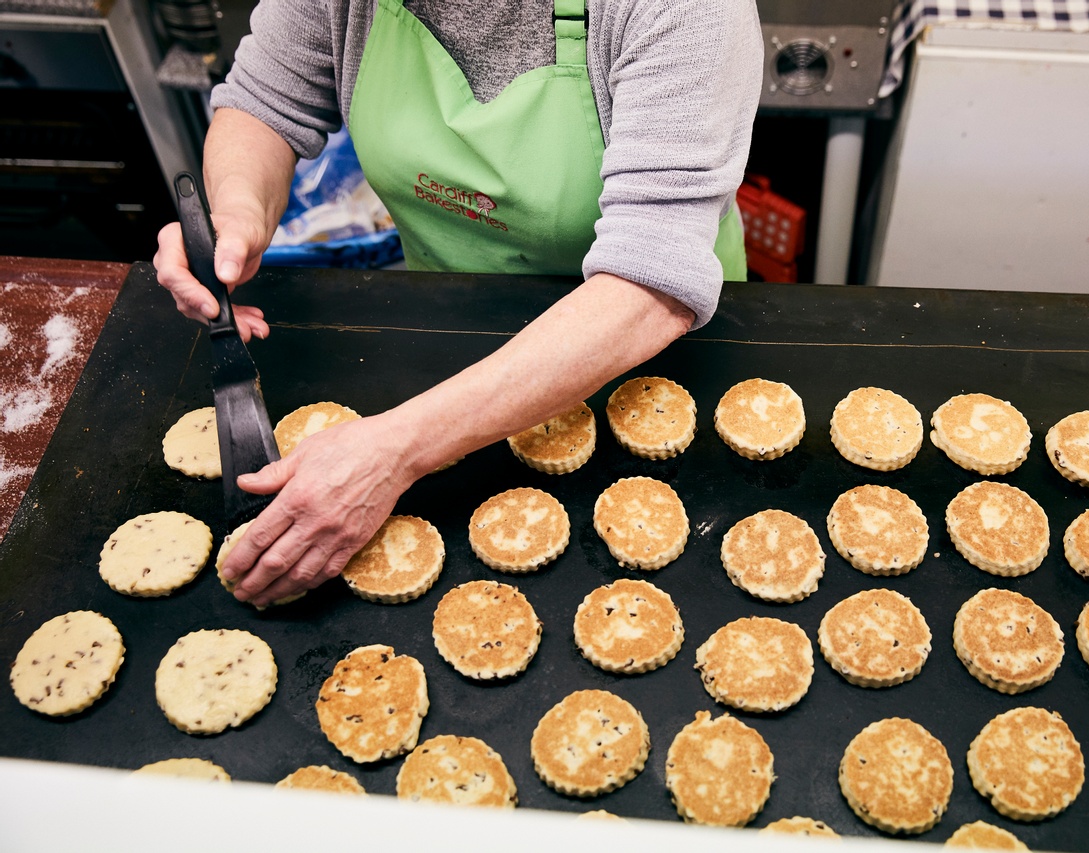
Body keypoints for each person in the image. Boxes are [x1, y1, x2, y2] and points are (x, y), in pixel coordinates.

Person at [153, 0, 763, 607]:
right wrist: (237, 214)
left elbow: (650, 281)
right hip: (446, 352)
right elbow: (265, 102)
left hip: (649, 353)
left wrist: (393, 453)